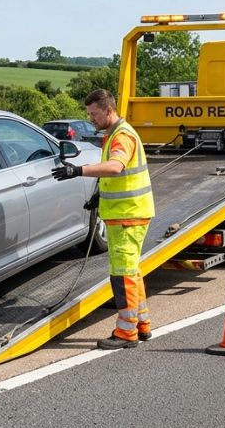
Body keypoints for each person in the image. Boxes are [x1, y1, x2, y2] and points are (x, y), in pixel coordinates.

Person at [52, 88, 154, 350]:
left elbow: (115, 167)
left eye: (94, 114)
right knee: (131, 272)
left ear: (108, 110)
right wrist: (100, 195)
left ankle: (126, 332)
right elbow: (119, 176)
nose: (91, 119)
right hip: (128, 213)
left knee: (122, 275)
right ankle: (141, 325)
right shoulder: (115, 134)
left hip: (127, 216)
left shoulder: (121, 136)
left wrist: (77, 170)